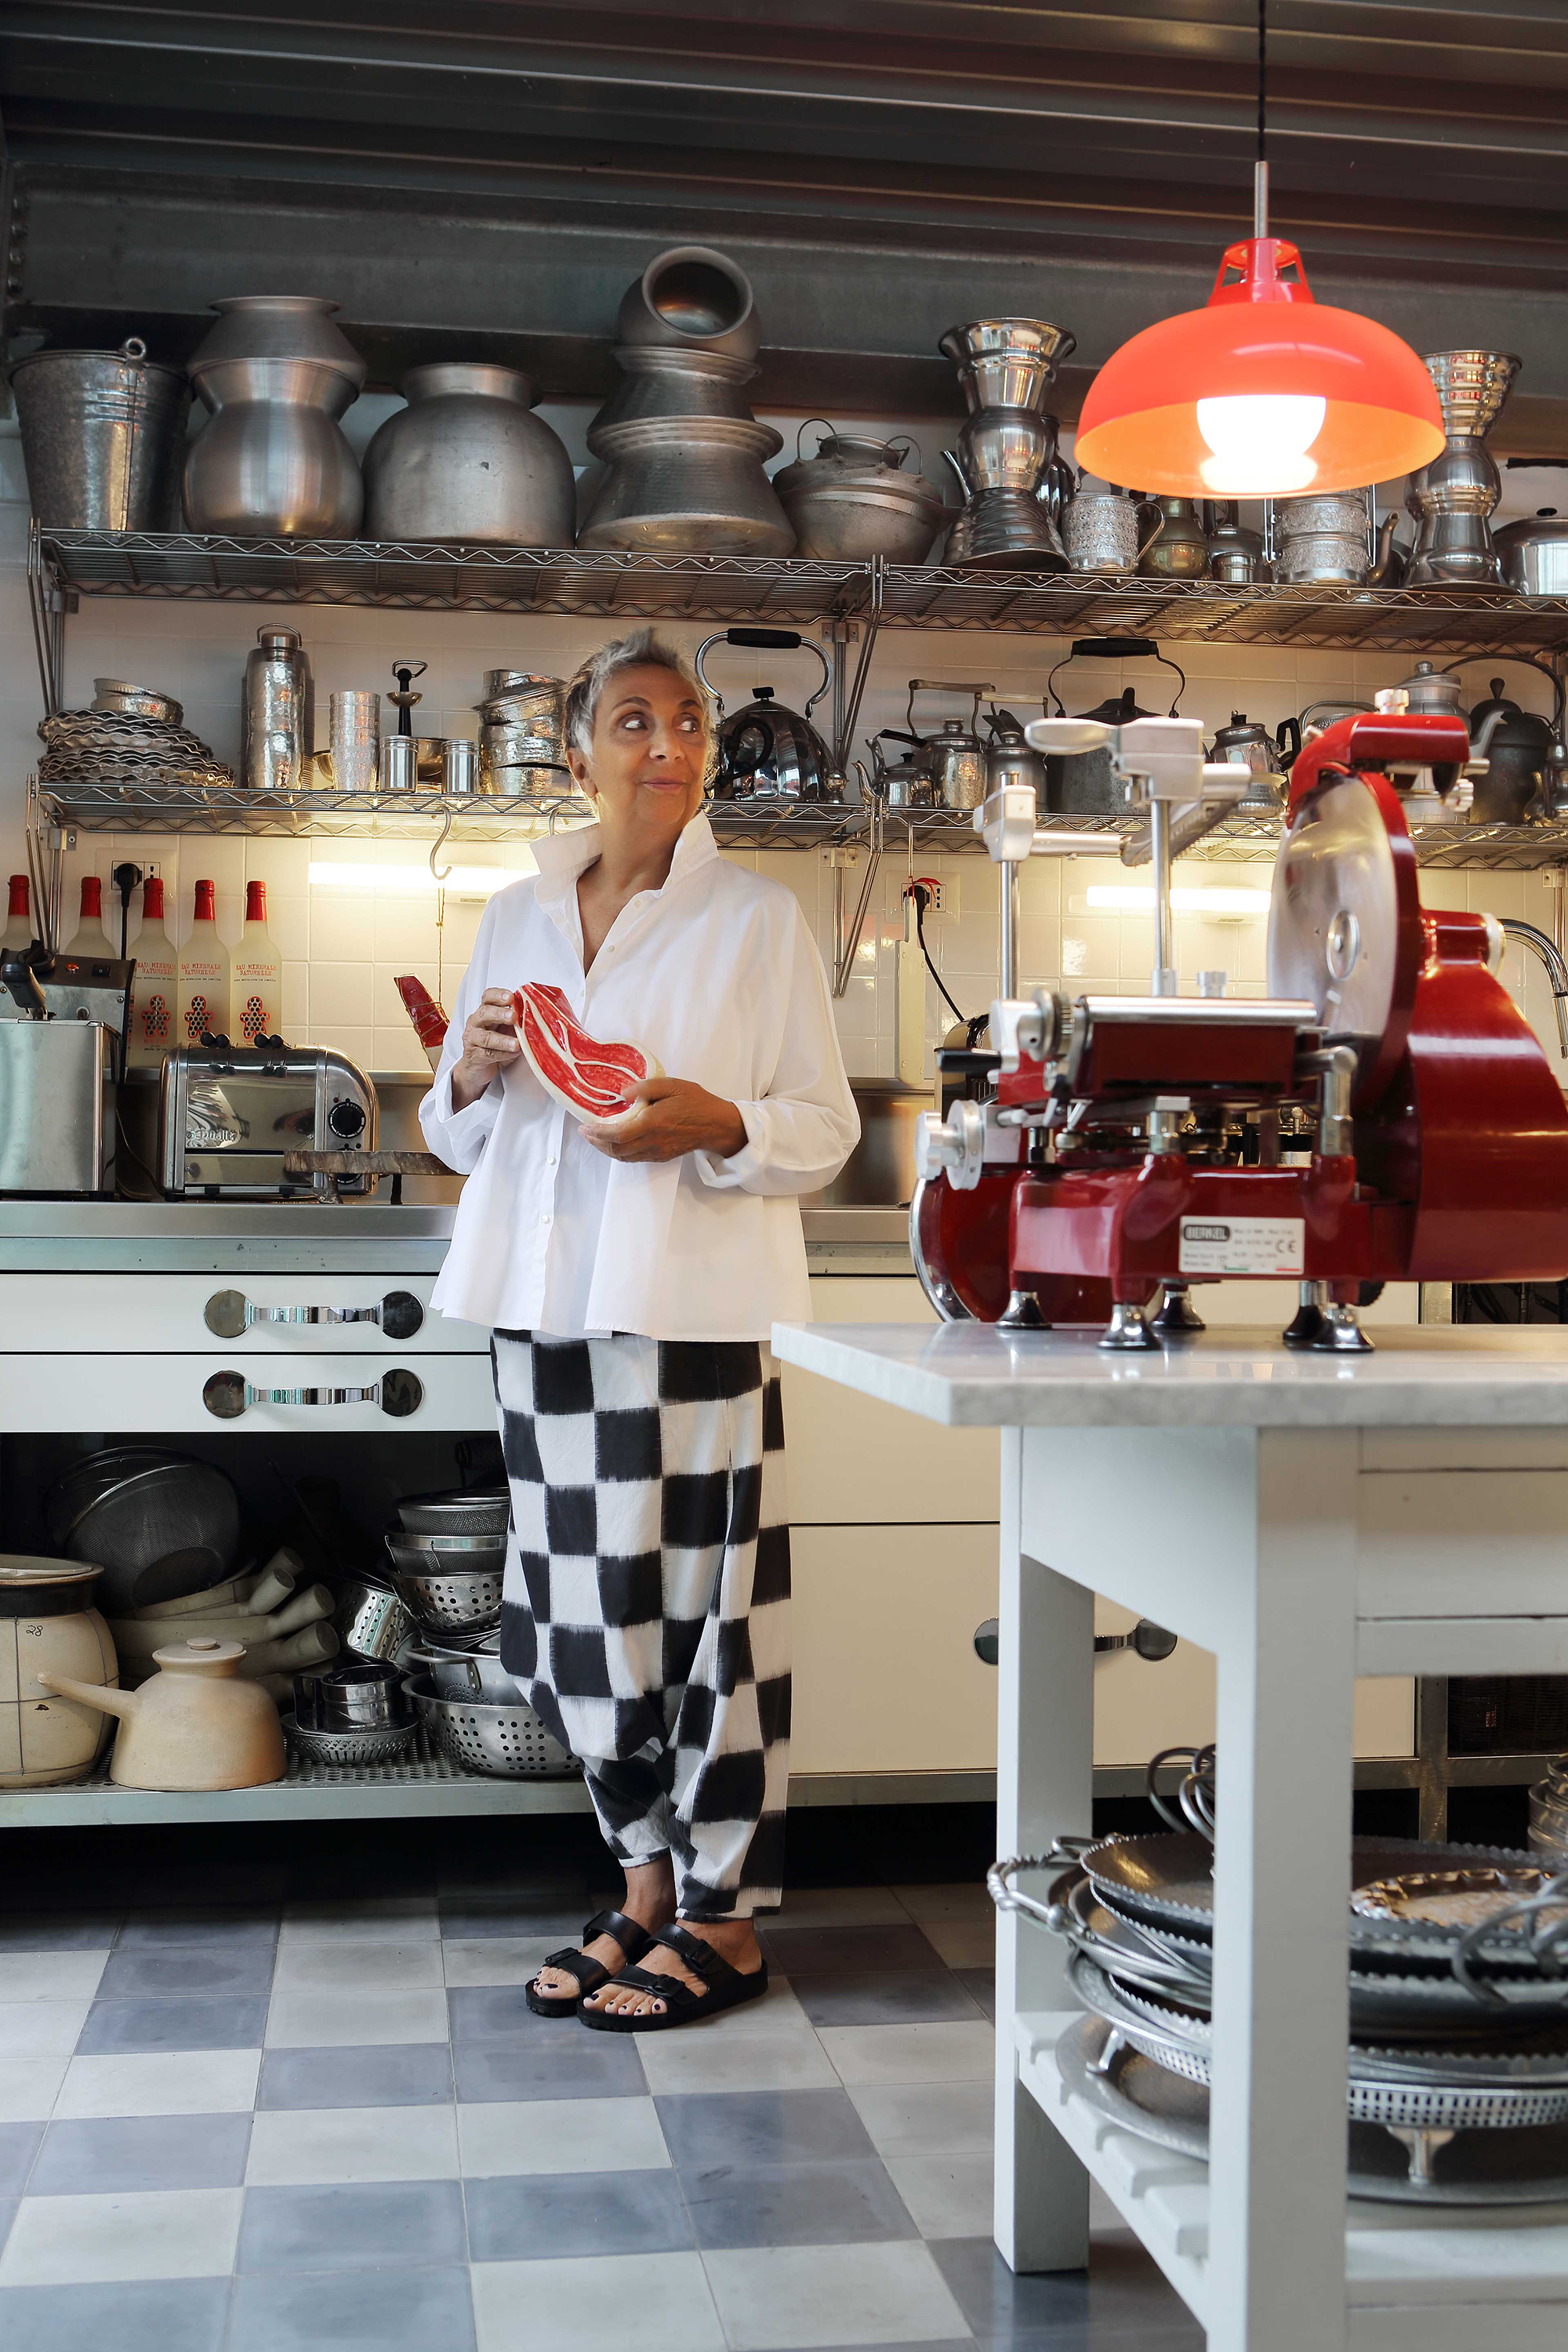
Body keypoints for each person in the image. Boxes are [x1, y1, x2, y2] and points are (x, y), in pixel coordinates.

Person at [420, 627, 858, 2031]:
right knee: (581, 1619)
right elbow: (451, 1133)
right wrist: (470, 1073)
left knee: (706, 1620)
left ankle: (724, 1914)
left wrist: (718, 1123)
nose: (666, 744)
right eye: (632, 720)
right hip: (541, 1312)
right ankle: (644, 1886)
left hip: (693, 1312)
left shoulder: (757, 919)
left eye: (686, 721)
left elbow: (824, 1129)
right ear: (577, 755)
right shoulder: (514, 914)